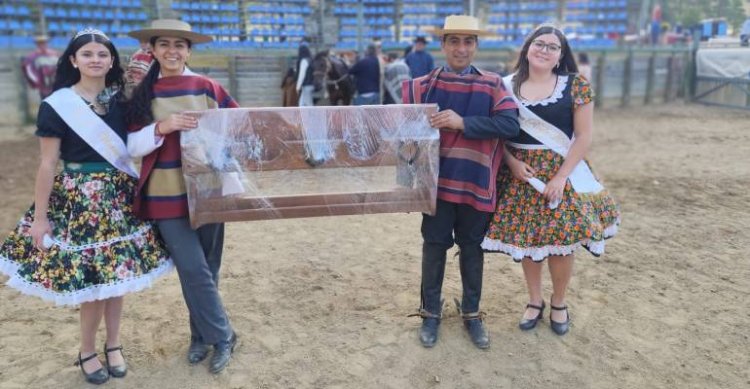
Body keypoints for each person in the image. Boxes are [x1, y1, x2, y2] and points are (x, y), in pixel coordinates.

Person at [0, 28, 172, 385]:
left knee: (116, 279)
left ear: (112, 62)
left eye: (103, 54)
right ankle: (86, 350)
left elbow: (137, 138)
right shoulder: (57, 104)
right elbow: (47, 164)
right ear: (74, 60)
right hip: (80, 201)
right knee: (93, 284)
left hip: (118, 198)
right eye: (88, 54)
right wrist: (41, 218)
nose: (96, 60)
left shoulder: (121, 103)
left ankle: (113, 345)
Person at [482, 25, 620, 336]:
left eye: (552, 47)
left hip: (564, 173)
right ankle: (534, 300)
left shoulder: (576, 85)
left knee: (562, 243)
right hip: (522, 175)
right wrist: (512, 162)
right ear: (527, 48)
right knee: (530, 241)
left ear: (560, 56)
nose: (544, 50)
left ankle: (559, 302)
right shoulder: (503, 86)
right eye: (539, 44)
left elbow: (583, 137)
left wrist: (560, 177)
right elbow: (497, 135)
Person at [125, 19, 238, 374]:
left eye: (179, 45)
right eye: (164, 45)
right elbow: (130, 146)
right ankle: (223, 336)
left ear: (189, 50)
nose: (172, 51)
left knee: (207, 267)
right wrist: (162, 127)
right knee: (191, 267)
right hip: (164, 190)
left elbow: (240, 127)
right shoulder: (142, 94)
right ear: (153, 50)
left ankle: (199, 336)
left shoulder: (207, 87)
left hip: (207, 189)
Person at [403, 15, 520, 349]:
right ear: (443, 45)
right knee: (434, 245)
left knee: (472, 247)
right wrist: (408, 184)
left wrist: (462, 122)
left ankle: (471, 313)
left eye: (468, 41)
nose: (461, 48)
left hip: (474, 182)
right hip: (437, 185)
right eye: (454, 41)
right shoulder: (421, 86)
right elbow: (404, 136)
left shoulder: (492, 84)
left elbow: (510, 125)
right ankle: (430, 314)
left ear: (476, 46)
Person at [22, 34, 60, 100]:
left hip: (57, 86)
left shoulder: (55, 54)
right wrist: (36, 82)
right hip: (44, 87)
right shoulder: (32, 57)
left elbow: (61, 67)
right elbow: (28, 70)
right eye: (40, 43)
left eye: (44, 42)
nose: (43, 45)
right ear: (37, 44)